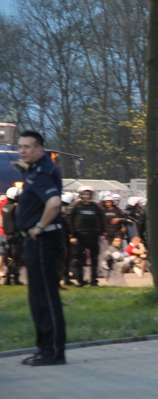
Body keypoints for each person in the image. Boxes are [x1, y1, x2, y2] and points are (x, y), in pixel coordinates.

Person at [15, 130, 66, 366]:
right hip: (37, 241)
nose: (22, 151)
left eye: (27, 147)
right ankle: (44, 348)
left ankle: (53, 352)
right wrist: (26, 169)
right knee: (37, 297)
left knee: (45, 296)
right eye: (20, 147)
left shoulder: (43, 172)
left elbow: (54, 203)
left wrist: (39, 226)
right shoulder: (36, 170)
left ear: (40, 149)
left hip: (44, 239)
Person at [2, 186, 24, 285]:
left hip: (7, 234)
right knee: (16, 258)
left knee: (9, 257)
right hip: (16, 236)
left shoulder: (5, 207)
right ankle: (15, 278)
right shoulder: (16, 207)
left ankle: (7, 278)